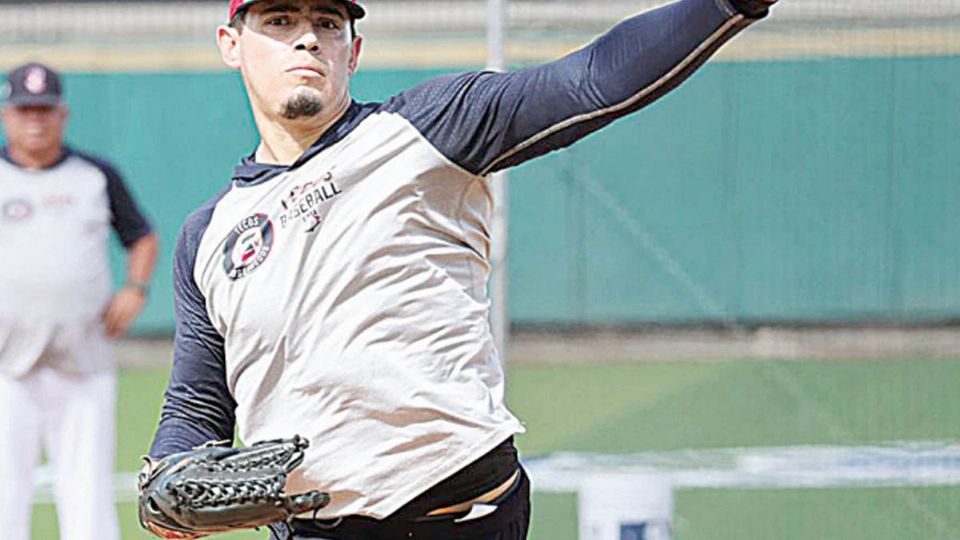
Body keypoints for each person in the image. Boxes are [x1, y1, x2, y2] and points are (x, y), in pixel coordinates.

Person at [148, 0, 779, 538]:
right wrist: (166, 486)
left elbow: (590, 82)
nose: (308, 36)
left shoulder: (424, 129)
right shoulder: (207, 235)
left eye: (328, 22)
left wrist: (725, 5)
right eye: (280, 19)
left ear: (354, 49)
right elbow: (197, 403)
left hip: (454, 515)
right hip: (312, 526)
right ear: (232, 44)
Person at [0, 63, 158, 540]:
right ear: (7, 114)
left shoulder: (94, 176)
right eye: (25, 110)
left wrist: (134, 289)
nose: (35, 121)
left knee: (87, 496)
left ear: (63, 114)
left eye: (45, 111)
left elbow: (142, 236)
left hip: (83, 359)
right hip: (6, 363)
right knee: (4, 496)